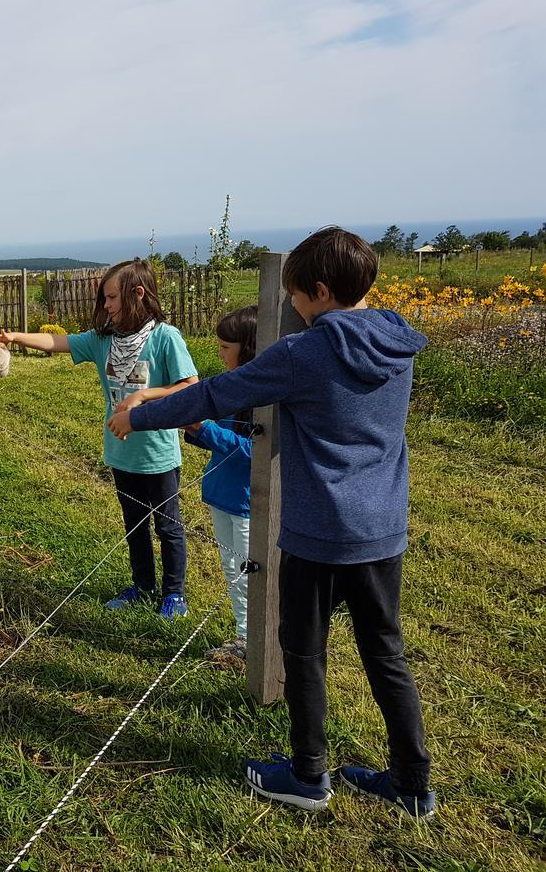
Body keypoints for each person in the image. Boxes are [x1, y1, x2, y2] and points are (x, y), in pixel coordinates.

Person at [108, 227, 436, 818]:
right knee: (386, 651)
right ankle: (413, 782)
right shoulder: (397, 341)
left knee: (304, 652)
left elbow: (216, 394)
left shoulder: (304, 353)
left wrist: (144, 414)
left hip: (318, 531)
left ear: (317, 291)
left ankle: (308, 776)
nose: (292, 311)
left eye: (294, 300)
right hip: (383, 527)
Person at [0, 257, 199, 618]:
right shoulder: (104, 341)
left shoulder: (166, 338)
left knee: (168, 526)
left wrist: (143, 397)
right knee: (134, 525)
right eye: (105, 299)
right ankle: (143, 586)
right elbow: (58, 342)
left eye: (112, 298)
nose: (106, 306)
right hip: (121, 455)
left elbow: (190, 386)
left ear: (138, 293)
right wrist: (15, 337)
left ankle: (174, 593)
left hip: (158, 455)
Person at [183, 305, 258, 663]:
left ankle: (257, 645)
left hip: (247, 504)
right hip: (223, 497)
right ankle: (245, 640)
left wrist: (207, 430)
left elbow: (256, 453)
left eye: (226, 347)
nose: (219, 353)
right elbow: (222, 437)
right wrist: (195, 430)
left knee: (248, 576)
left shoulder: (264, 400)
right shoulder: (232, 390)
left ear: (248, 349)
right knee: (233, 572)